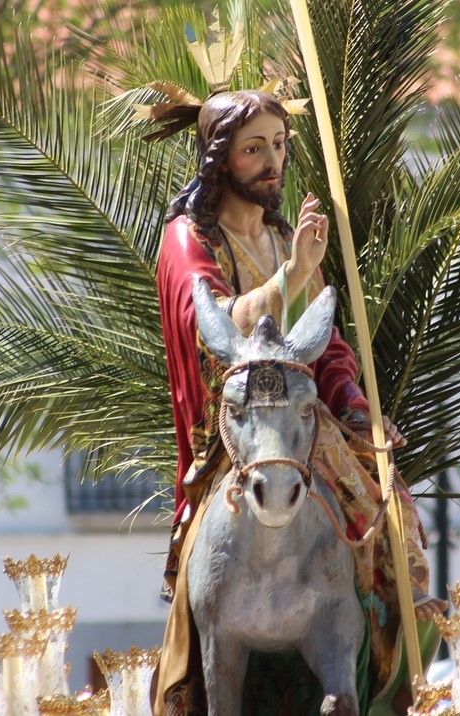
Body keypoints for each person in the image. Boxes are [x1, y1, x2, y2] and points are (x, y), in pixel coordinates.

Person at [153, 89, 443, 716]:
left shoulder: (288, 237)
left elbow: (328, 346)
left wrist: (357, 407)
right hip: (233, 422)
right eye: (253, 149)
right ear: (218, 157)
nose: (270, 162)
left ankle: (400, 631)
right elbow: (216, 327)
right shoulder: (188, 239)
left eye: (278, 146)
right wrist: (291, 277)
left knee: (388, 506)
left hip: (301, 415)